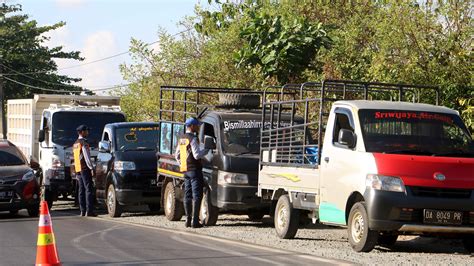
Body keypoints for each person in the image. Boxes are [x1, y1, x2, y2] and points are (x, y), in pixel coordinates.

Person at [175, 117, 209, 228]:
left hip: (185, 171)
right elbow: (196, 155)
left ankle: (187, 220)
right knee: (197, 196)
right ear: (192, 126)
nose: (198, 127)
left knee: (187, 195)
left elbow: (177, 155)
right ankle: (195, 222)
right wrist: (207, 150)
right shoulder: (193, 138)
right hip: (194, 170)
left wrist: (182, 165)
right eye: (197, 126)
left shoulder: (182, 138)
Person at [73, 125, 97, 217]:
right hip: (84, 168)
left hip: (78, 169)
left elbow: (75, 158)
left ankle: (82, 211)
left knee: (81, 190)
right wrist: (91, 168)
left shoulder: (75, 143)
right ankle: (89, 211)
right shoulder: (83, 143)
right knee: (88, 189)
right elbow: (87, 157)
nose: (88, 132)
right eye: (87, 131)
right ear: (82, 132)